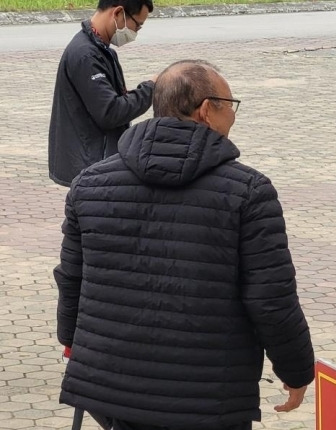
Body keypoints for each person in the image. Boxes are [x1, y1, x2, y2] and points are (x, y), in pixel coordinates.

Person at [54, 59, 315, 430]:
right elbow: (271, 298)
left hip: (111, 390)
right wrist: (296, 369)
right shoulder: (249, 192)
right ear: (207, 110)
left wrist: (71, 340)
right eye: (231, 106)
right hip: (209, 399)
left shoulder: (89, 184)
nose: (234, 119)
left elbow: (71, 278)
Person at [48, 0, 156, 187]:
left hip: (95, 163)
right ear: (118, 13)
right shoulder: (86, 55)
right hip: (91, 168)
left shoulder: (101, 50)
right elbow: (110, 112)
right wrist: (151, 88)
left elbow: (110, 100)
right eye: (137, 25)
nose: (136, 32)